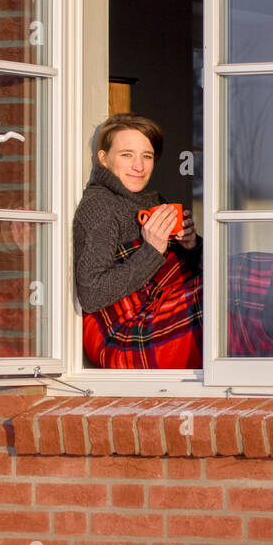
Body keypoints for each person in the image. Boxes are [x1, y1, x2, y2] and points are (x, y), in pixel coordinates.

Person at [73, 115, 204, 369]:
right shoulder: (100, 204)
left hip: (161, 307)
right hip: (122, 332)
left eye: (147, 156)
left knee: (259, 272)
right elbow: (91, 293)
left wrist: (191, 245)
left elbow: (173, 272)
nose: (139, 166)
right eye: (126, 154)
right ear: (103, 158)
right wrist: (152, 250)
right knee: (236, 290)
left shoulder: (152, 200)